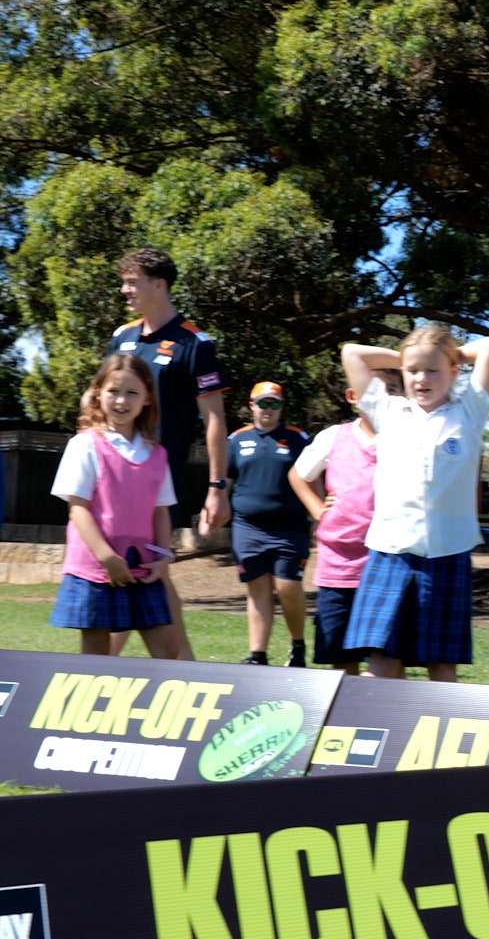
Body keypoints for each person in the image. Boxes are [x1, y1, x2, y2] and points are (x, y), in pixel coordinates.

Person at [340, 327, 489, 682]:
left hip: (447, 552)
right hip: (391, 552)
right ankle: (381, 734)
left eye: (433, 370)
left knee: (441, 666)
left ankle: (442, 735)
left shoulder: (470, 412)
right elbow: (353, 353)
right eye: (413, 371)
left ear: (454, 372)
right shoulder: (387, 409)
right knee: (382, 663)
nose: (421, 379)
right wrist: (410, 355)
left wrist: (439, 353)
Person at [107, 247, 228, 659]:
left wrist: (217, 486)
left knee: (140, 566)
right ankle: (185, 665)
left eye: (132, 282)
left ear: (159, 285)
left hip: (160, 479)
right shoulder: (121, 337)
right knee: (142, 568)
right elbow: (104, 401)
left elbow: (214, 419)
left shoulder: (195, 343)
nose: (124, 290)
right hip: (114, 476)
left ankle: (100, 663)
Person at [49, 354, 182, 658]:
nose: (121, 401)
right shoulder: (84, 445)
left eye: (132, 393)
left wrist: (163, 558)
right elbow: (77, 508)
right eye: (113, 391)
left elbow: (160, 511)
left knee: (168, 650)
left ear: (147, 397)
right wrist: (106, 557)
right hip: (96, 570)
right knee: (96, 657)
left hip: (145, 568)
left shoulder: (157, 454)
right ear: (98, 393)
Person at [290, 368, 402, 675]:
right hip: (337, 568)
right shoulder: (333, 437)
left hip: (386, 565)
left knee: (386, 658)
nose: (385, 398)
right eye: (376, 391)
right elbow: (299, 475)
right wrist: (316, 509)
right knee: (341, 659)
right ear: (353, 397)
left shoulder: (405, 440)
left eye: (393, 390)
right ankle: (346, 718)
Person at [225, 381, 311, 667]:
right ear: (252, 405)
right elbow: (225, 481)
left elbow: (314, 478)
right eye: (263, 403)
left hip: (290, 528)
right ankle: (257, 654)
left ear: (281, 407)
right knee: (257, 587)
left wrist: (320, 516)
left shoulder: (298, 439)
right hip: (247, 527)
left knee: (287, 585)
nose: (268, 409)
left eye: (274, 404)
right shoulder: (236, 440)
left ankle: (297, 645)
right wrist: (214, 507)